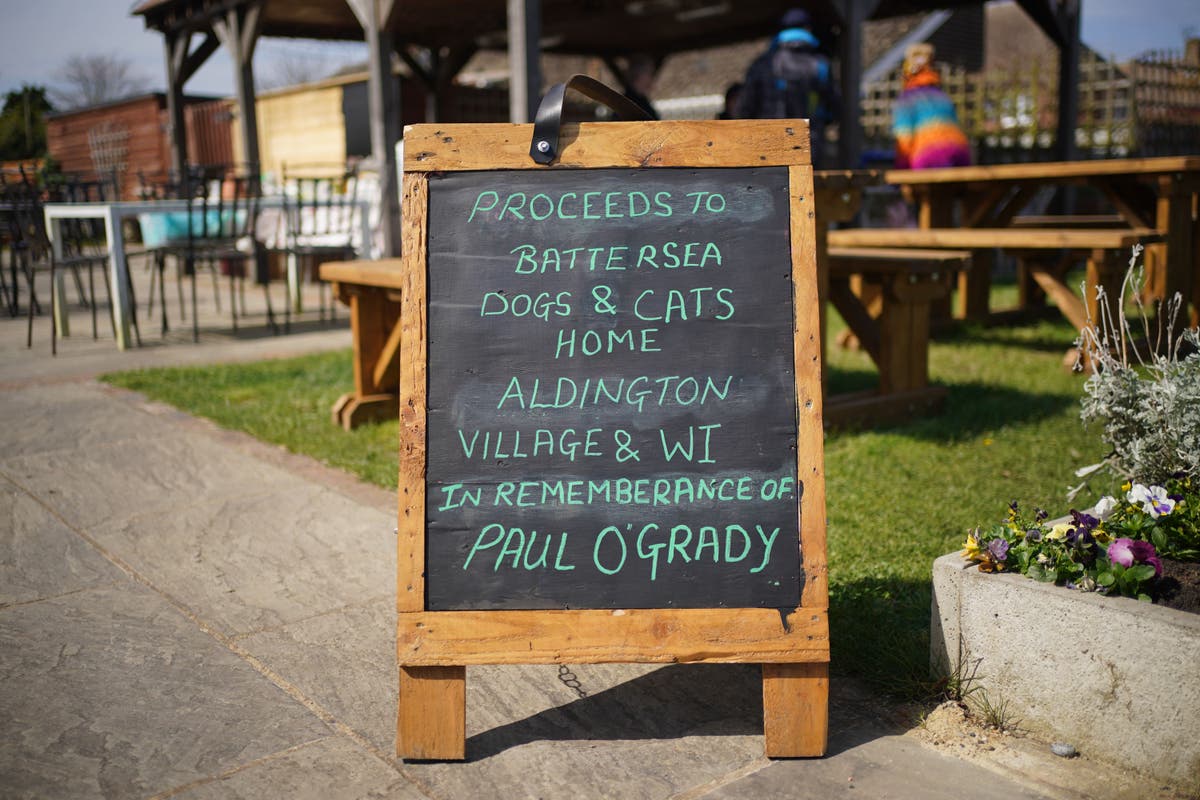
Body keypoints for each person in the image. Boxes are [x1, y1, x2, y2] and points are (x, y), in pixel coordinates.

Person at [735, 9, 839, 165]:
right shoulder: (820, 65)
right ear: (807, 29)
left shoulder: (763, 64)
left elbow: (744, 108)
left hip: (767, 146)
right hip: (809, 146)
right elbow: (835, 107)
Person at [892, 44, 971, 169]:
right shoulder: (942, 96)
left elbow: (904, 138)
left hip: (928, 156)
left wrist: (901, 169)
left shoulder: (907, 99)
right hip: (961, 153)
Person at [622, 55, 660, 120]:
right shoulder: (624, 103)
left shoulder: (643, 102)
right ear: (639, 74)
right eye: (650, 73)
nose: (651, 78)